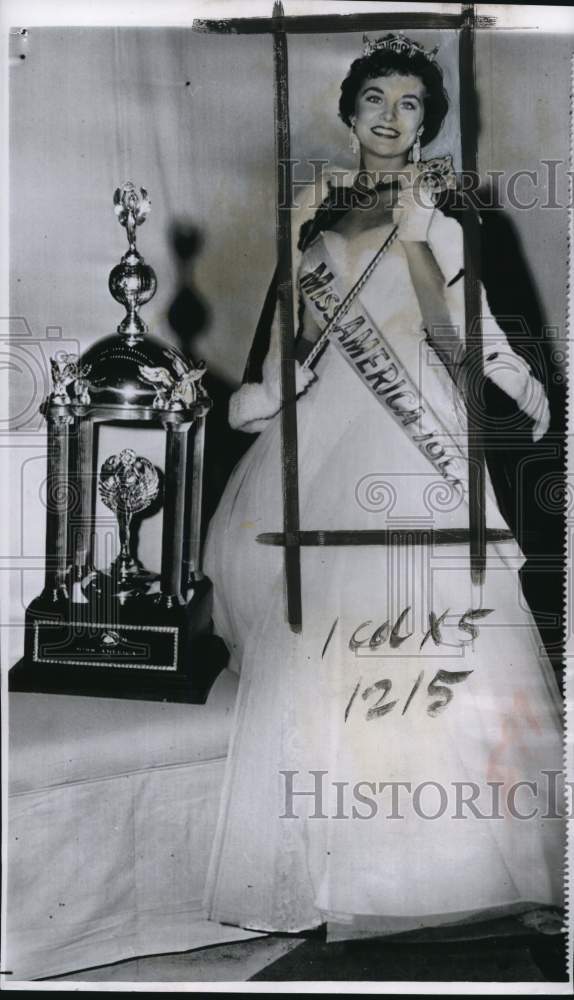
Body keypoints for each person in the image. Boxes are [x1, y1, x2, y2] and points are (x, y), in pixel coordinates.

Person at [202, 34, 564, 940]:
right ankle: (340, 875)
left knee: (441, 633)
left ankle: (455, 869)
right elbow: (291, 333)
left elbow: (462, 328)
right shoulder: (314, 207)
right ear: (350, 109)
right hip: (322, 433)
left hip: (417, 436)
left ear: (428, 120)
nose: (391, 118)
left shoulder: (446, 207)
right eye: (375, 100)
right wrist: (262, 394)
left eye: (410, 104)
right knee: (331, 637)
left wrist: (514, 374)